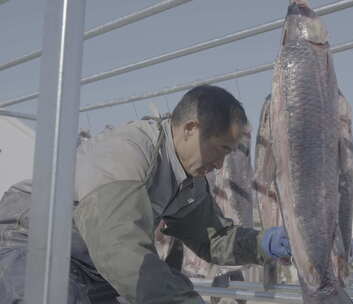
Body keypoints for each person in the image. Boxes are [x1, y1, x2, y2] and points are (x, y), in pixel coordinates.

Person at [0, 85, 291, 304]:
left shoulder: (190, 184)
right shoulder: (129, 149)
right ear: (191, 129)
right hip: (30, 241)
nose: (221, 164)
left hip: (90, 265)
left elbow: (213, 238)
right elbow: (121, 251)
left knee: (175, 286)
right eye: (221, 149)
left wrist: (264, 244)